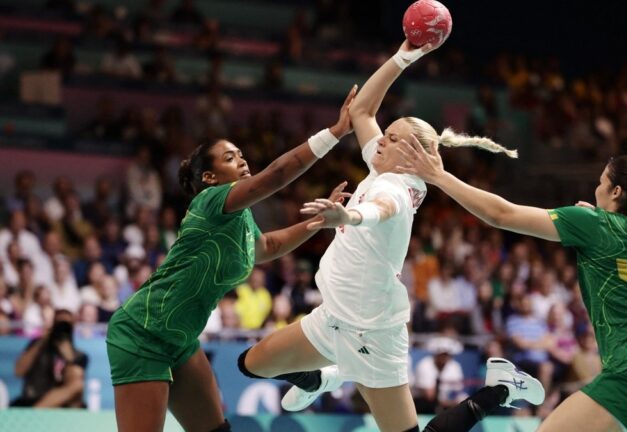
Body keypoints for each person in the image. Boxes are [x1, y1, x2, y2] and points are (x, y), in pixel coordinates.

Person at [237, 40, 540, 432]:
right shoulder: (381, 165)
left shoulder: (396, 187)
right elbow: (362, 109)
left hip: (372, 331)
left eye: (393, 138)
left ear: (412, 156)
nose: (381, 139)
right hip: (331, 318)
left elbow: (379, 210)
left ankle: (498, 390)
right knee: (251, 365)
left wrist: (348, 214)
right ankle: (323, 378)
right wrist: (405, 55)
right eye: (387, 134)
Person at [397, 145, 627, 432]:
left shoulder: (593, 224)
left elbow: (501, 213)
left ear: (616, 191)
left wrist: (438, 176)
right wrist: (596, 219)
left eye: (600, 183)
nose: (596, 188)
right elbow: (625, 247)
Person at [105, 86, 357, 432]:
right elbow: (275, 177)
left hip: (180, 339)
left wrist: (318, 222)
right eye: (229, 158)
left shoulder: (241, 216)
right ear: (209, 178)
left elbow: (266, 247)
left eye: (240, 154)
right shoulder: (210, 202)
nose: (242, 160)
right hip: (142, 335)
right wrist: (335, 132)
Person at [12, 309, 88, 408]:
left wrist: (68, 356)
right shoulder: (38, 345)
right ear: (52, 324)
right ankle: (37, 410)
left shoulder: (79, 355)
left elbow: (76, 383)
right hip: (35, 396)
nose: (62, 328)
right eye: (58, 324)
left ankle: (36, 411)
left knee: (77, 376)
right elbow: (18, 371)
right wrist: (42, 341)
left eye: (66, 325)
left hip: (61, 402)